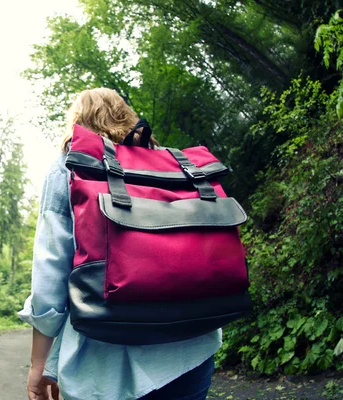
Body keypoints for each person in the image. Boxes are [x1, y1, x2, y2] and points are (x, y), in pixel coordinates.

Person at [18, 88, 221, 400]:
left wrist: (38, 363)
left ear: (77, 122)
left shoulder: (70, 166)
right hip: (191, 347)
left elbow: (51, 269)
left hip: (103, 362)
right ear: (126, 115)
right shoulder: (170, 163)